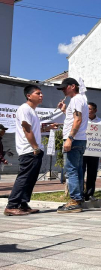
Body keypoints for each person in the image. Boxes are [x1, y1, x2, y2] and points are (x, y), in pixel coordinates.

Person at [4, 85, 44, 216]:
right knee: (24, 177)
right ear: (29, 95)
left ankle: (23, 204)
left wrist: (47, 128)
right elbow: (27, 129)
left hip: (33, 149)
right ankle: (11, 206)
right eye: (38, 93)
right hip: (29, 150)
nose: (41, 95)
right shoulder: (24, 109)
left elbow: (34, 130)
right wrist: (35, 147)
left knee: (31, 178)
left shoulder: (32, 111)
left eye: (41, 93)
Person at [56, 78, 89, 213]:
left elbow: (78, 119)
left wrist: (69, 138)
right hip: (80, 139)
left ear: (73, 86)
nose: (63, 90)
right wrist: (65, 111)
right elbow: (75, 118)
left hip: (74, 139)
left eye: (65, 87)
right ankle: (78, 199)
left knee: (71, 171)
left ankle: (75, 200)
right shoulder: (81, 99)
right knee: (78, 170)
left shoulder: (76, 99)